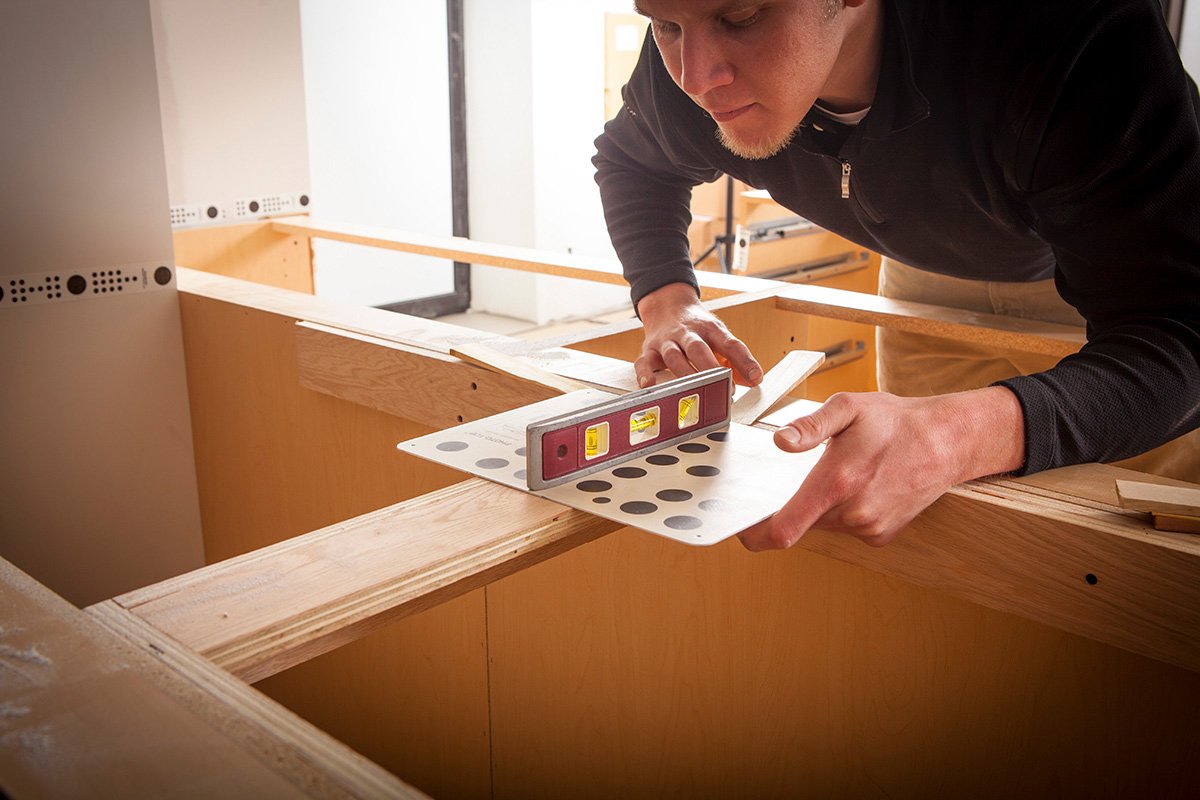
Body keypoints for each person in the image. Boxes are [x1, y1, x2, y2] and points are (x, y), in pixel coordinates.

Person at [591, 0, 1200, 550]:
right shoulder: (691, 51)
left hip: (1100, 275)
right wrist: (667, 298)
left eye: (744, 17)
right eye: (664, 25)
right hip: (924, 269)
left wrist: (957, 436)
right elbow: (632, 162)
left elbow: (1181, 337)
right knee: (922, 516)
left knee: (1120, 537)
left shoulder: (1077, 35)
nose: (697, 79)